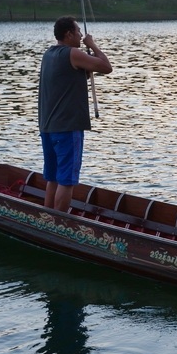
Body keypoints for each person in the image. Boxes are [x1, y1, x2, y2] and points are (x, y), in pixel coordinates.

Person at [38, 16, 113, 211]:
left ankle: (47, 219)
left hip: (48, 127)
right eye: (78, 31)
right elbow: (106, 67)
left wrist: (86, 71)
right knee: (67, 180)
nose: (81, 35)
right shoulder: (72, 53)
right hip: (67, 127)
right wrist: (92, 45)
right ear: (69, 34)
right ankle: (59, 224)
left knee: (53, 177)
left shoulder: (49, 55)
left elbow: (69, 77)